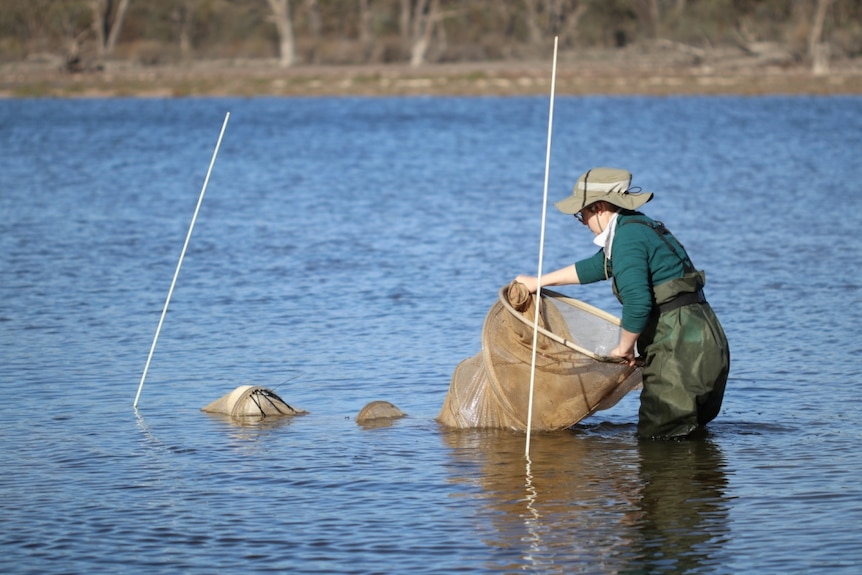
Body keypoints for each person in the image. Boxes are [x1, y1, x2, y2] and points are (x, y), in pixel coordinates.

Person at [515, 167, 729, 439]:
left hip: (680, 348)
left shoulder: (627, 238)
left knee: (660, 440)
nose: (582, 222)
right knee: (688, 438)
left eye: (583, 214)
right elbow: (598, 265)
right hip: (704, 340)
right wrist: (539, 281)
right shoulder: (637, 227)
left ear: (601, 207)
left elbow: (638, 303)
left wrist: (624, 348)